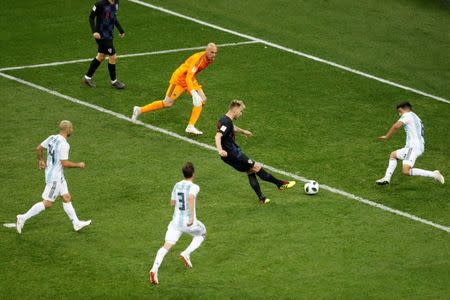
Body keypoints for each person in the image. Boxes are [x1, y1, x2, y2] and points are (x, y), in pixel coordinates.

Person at [15, 121, 91, 234]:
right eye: (72, 128)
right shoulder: (65, 144)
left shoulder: (52, 137)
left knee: (66, 197)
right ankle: (22, 217)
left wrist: (41, 160)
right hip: (54, 176)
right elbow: (64, 163)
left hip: (56, 174)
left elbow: (39, 148)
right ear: (68, 129)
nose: (72, 130)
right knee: (48, 203)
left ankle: (76, 223)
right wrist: (78, 165)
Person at [215, 100, 296, 204]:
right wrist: (220, 150)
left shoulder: (224, 119)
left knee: (250, 171)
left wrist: (243, 131)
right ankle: (279, 184)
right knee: (256, 167)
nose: (241, 114)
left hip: (228, 156)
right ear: (235, 110)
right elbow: (218, 136)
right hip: (234, 154)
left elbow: (232, 127)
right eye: (240, 111)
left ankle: (262, 198)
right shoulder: (226, 122)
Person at [131, 43, 218, 135]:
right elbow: (188, 76)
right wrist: (193, 92)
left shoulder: (210, 59)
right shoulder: (198, 59)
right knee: (167, 103)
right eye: (212, 52)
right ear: (206, 51)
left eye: (215, 53)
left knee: (202, 99)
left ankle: (190, 126)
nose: (214, 55)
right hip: (179, 79)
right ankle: (139, 110)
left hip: (190, 78)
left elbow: (190, 76)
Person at [149, 162, 206, 285]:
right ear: (193, 174)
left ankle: (154, 269)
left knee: (166, 246)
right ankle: (186, 253)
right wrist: (191, 218)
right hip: (189, 223)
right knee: (202, 234)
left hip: (175, 222)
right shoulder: (194, 187)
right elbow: (190, 198)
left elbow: (172, 203)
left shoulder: (176, 185)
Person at [376, 101, 444, 185]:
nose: (399, 114)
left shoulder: (407, 115)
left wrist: (386, 136)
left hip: (413, 148)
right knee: (393, 155)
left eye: (400, 111)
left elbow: (396, 126)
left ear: (406, 109)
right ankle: (386, 178)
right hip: (415, 146)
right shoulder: (416, 117)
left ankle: (434, 174)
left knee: (406, 171)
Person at [83, 0, 126, 89]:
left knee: (101, 56)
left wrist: (120, 29)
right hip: (101, 35)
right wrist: (94, 32)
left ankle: (87, 78)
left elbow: (113, 17)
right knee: (113, 56)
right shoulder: (99, 4)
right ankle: (114, 81)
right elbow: (91, 17)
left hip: (109, 34)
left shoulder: (116, 3)